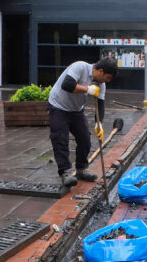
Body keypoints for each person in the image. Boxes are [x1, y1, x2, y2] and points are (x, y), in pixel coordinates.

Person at [47, 58, 116, 187]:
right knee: (60, 138)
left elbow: (100, 105)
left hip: (76, 110)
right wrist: (88, 89)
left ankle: (81, 169)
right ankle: (65, 173)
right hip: (58, 106)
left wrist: (99, 123)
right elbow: (67, 84)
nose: (108, 80)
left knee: (85, 139)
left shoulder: (101, 84)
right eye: (107, 77)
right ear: (100, 71)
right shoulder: (79, 67)